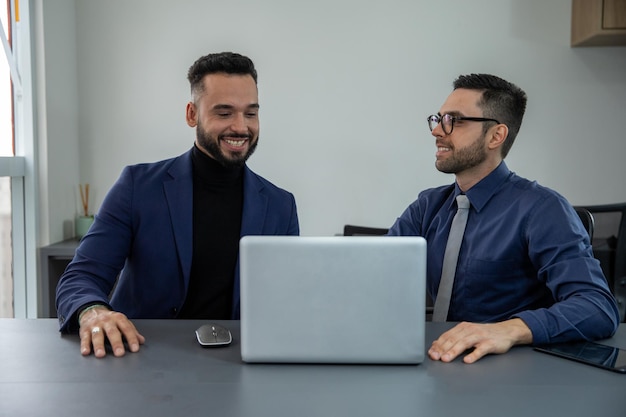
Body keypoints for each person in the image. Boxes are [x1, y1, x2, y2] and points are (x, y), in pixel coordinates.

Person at [56, 52, 299, 358]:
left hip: (238, 365)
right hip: (139, 358)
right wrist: (92, 312)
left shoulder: (281, 205)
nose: (241, 127)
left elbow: (289, 302)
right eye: (224, 113)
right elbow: (81, 277)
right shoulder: (137, 186)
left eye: (250, 113)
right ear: (191, 114)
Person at [387, 73, 620, 364]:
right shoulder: (427, 206)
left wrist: (509, 330)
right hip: (436, 359)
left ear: (496, 136)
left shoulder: (543, 209)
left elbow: (597, 308)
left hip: (506, 372)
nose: (438, 131)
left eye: (455, 120)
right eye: (439, 118)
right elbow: (376, 275)